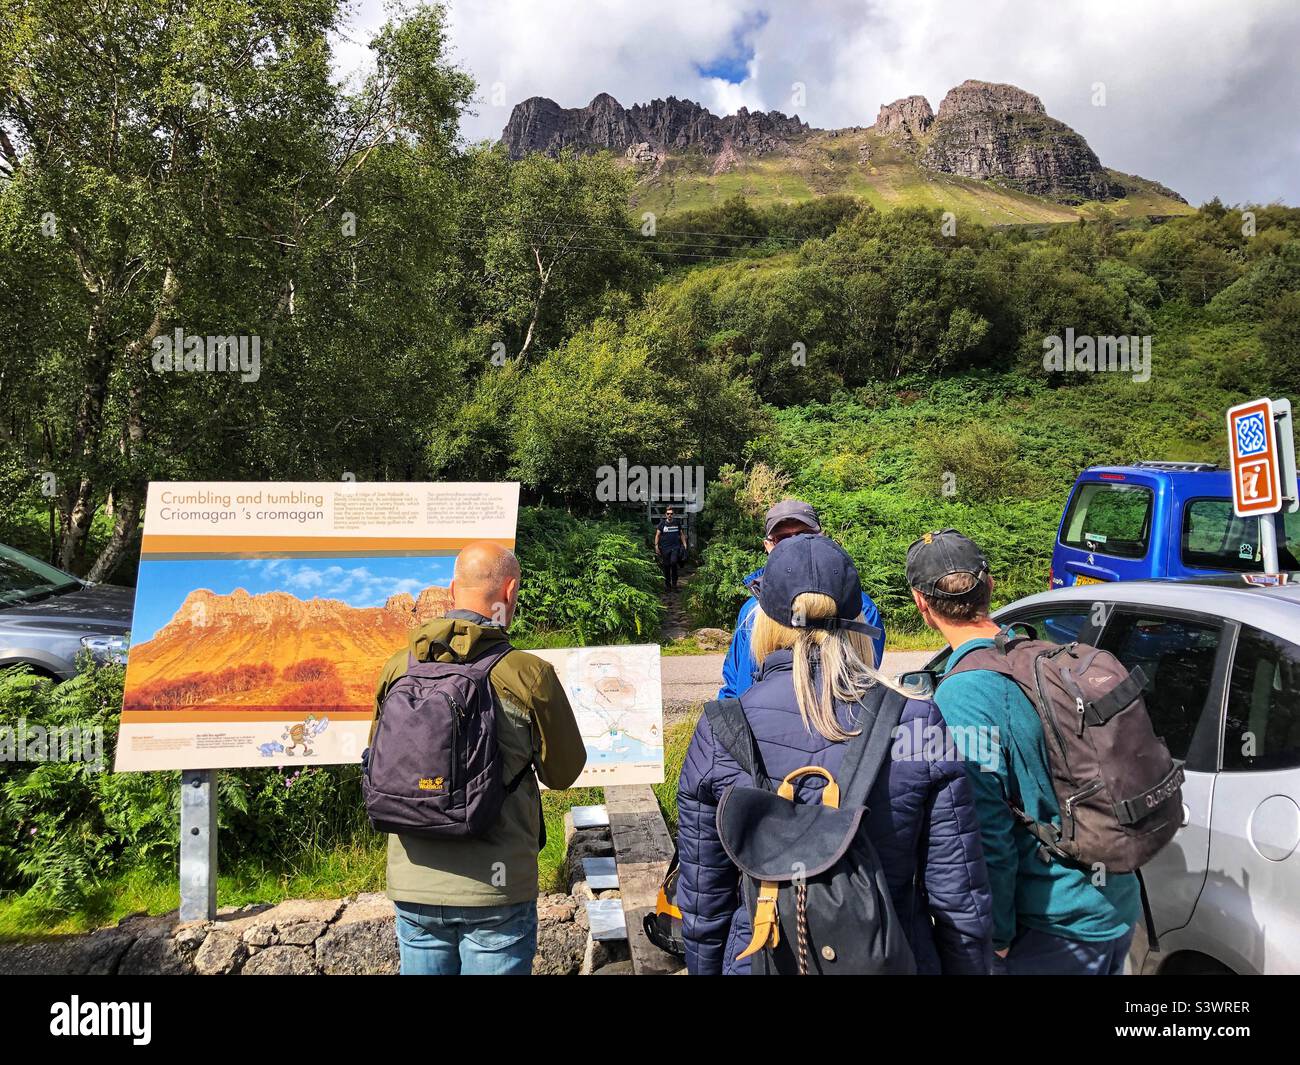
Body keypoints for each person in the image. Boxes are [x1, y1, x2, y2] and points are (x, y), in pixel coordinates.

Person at [677, 533, 993, 975]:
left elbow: (702, 902)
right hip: (892, 956)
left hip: (761, 959)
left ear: (764, 620)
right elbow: (959, 901)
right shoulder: (920, 721)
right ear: (857, 618)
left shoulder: (720, 729)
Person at [907, 529, 1140, 975]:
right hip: (1114, 903)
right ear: (990, 585)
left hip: (1052, 927)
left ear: (922, 604)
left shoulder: (965, 694)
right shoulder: (1047, 656)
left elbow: (986, 830)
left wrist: (993, 936)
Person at [372, 541, 587, 975]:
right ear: (509, 593)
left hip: (414, 881)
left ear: (453, 591)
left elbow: (379, 765)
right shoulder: (527, 673)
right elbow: (563, 773)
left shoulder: (398, 667)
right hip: (496, 883)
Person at [718, 499, 884, 699]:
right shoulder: (751, 609)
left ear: (821, 537)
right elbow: (734, 683)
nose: (794, 543)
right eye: (783, 538)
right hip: (754, 721)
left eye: (804, 534)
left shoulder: (859, 608)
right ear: (768, 546)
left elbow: (863, 682)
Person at [655, 506, 687, 589]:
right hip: (665, 548)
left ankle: (674, 584)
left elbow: (681, 534)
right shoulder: (662, 524)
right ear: (665, 514)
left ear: (673, 514)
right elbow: (657, 535)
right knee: (666, 566)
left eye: (671, 514)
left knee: (673, 563)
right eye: (668, 514)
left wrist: (684, 544)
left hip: (675, 547)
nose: (670, 515)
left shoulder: (676, 523)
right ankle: (667, 585)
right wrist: (656, 546)